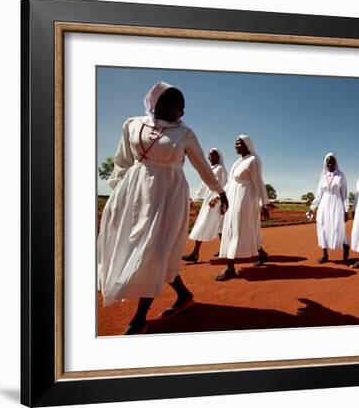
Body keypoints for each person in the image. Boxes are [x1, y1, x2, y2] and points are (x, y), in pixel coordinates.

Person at [97, 81, 229, 334]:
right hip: (135, 191)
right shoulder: (132, 125)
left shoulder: (185, 134)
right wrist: (118, 194)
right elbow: (122, 162)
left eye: (183, 107)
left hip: (169, 195)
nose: (182, 112)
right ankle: (183, 294)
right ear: (157, 102)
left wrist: (220, 191)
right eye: (177, 105)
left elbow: (202, 166)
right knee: (141, 247)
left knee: (155, 250)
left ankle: (139, 319)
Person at [216, 135, 271, 281]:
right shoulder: (238, 162)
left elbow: (258, 182)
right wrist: (220, 196)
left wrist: (263, 203)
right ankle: (262, 253)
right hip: (233, 198)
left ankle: (230, 268)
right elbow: (231, 182)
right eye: (235, 143)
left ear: (247, 145)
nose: (236, 145)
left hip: (245, 199)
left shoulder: (253, 160)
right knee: (237, 228)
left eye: (239, 143)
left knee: (237, 228)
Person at [182, 148, 228, 262]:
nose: (210, 157)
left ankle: (195, 253)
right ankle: (225, 250)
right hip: (208, 200)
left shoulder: (221, 169)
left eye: (213, 155)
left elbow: (225, 185)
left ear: (218, 157)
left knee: (204, 224)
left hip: (215, 201)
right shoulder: (210, 169)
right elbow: (203, 185)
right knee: (219, 226)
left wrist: (217, 199)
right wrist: (195, 198)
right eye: (209, 155)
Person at [307, 153, 350, 263]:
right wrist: (313, 208)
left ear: (336, 163)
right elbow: (318, 194)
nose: (330, 164)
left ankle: (345, 246)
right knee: (322, 226)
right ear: (325, 163)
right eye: (328, 162)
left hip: (337, 203)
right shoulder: (323, 176)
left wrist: (346, 210)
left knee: (338, 226)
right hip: (324, 204)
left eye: (332, 162)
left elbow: (344, 194)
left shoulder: (341, 175)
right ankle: (325, 254)